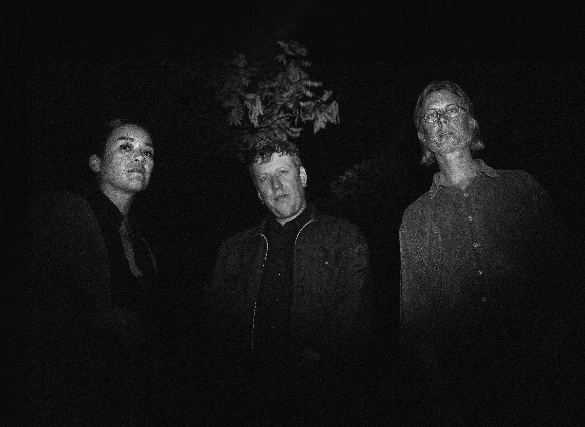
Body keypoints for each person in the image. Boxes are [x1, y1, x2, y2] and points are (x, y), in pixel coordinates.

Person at [399, 81, 576, 424]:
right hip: (466, 388)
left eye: (452, 110)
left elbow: (565, 272)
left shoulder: (521, 187)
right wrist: (440, 395)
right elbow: (417, 322)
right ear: (423, 136)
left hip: (544, 371)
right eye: (431, 115)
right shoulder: (416, 217)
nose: (442, 119)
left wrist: (559, 349)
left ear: (471, 122)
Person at [207, 140, 372, 423]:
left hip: (321, 397)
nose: (276, 185)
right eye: (264, 178)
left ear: (302, 176)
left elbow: (354, 323)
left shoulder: (343, 237)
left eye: (283, 172)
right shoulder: (235, 250)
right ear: (258, 193)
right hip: (248, 398)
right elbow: (217, 327)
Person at [27, 119, 172, 425]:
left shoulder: (142, 243)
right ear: (96, 162)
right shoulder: (65, 212)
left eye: (147, 152)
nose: (139, 157)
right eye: (125, 147)